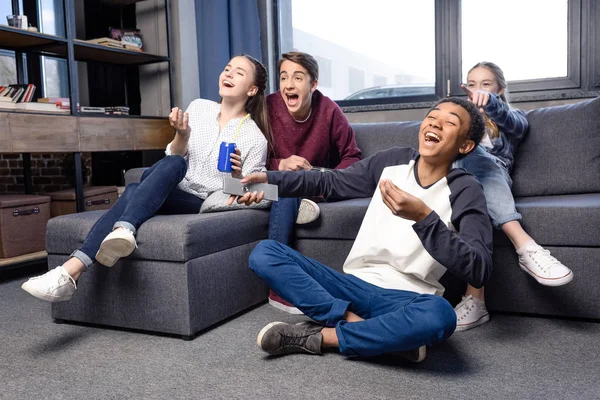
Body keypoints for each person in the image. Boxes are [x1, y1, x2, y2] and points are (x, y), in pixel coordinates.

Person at [230, 97, 492, 362]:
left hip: (406, 300)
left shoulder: (466, 189)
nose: (435, 123)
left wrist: (423, 217)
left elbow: (479, 268)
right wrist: (269, 178)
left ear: (465, 145)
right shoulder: (393, 161)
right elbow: (329, 182)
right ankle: (361, 328)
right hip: (352, 285)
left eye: (449, 123)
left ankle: (323, 337)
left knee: (441, 315)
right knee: (265, 253)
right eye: (433, 116)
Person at [22, 54, 271, 303]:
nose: (228, 73)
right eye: (227, 68)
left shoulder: (254, 138)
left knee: (133, 190)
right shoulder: (199, 108)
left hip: (198, 201)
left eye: (238, 72)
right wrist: (182, 134)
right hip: (172, 185)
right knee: (171, 163)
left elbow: (255, 192)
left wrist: (238, 177)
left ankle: (72, 269)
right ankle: (115, 237)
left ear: (252, 89)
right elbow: (173, 156)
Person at [453, 62, 573, 332]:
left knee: (473, 164)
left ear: (500, 89)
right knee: (467, 182)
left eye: (486, 84)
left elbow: (517, 125)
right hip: (454, 181)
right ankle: (525, 246)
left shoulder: (511, 116)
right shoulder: (459, 118)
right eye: (472, 85)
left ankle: (475, 299)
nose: (478, 89)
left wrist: (490, 104)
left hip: (492, 175)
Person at [266, 51, 362, 313]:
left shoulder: (329, 110)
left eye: (298, 78)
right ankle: (279, 285)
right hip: (270, 184)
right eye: (284, 77)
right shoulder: (267, 107)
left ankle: (304, 200)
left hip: (309, 186)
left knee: (293, 185)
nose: (288, 84)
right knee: (288, 184)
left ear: (313, 84)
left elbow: (352, 156)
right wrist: (280, 164)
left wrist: (321, 182)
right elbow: (252, 156)